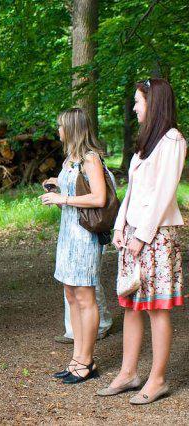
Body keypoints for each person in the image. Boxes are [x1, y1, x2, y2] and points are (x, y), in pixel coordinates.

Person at [97, 78, 186, 404]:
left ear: (154, 102)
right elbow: (133, 192)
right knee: (131, 305)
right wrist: (120, 226)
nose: (134, 107)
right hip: (133, 234)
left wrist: (142, 235)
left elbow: (163, 194)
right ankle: (128, 373)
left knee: (156, 309)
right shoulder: (145, 141)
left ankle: (157, 380)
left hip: (157, 236)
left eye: (138, 101)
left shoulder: (173, 140)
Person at [40, 108, 111, 384]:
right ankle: (76, 358)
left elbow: (99, 198)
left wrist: (63, 199)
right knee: (71, 295)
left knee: (85, 297)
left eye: (61, 126)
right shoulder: (71, 159)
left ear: (72, 128)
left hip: (84, 236)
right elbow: (76, 189)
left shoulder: (91, 158)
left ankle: (87, 360)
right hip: (68, 234)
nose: (58, 130)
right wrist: (56, 186)